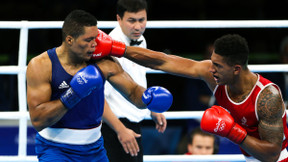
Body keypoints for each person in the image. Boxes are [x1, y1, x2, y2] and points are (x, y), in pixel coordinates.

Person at [92, 32, 288, 162]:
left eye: (218, 66)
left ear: (236, 69)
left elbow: (272, 154)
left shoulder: (267, 97)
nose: (211, 69)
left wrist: (233, 132)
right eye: (212, 62)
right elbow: (163, 61)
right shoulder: (212, 74)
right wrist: (118, 49)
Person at [26, 10, 173, 162]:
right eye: (88, 40)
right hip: (55, 148)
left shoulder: (103, 61)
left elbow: (133, 92)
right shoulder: (42, 66)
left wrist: (147, 98)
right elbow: (38, 120)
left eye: (96, 38)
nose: (95, 44)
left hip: (94, 149)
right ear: (70, 40)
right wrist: (73, 94)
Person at [101, 0, 167, 161]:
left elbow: (137, 78)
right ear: (119, 18)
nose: (137, 27)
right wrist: (120, 130)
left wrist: (151, 106)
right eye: (131, 20)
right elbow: (96, 98)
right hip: (113, 127)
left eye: (141, 20)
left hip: (132, 123)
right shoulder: (107, 49)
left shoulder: (140, 40)